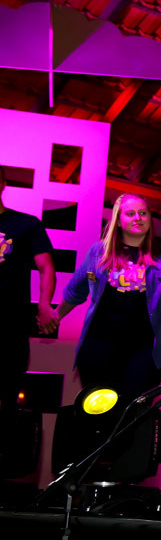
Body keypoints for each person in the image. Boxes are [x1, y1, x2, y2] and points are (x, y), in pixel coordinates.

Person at [58, 194, 161, 397]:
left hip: (143, 349)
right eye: (130, 214)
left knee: (134, 407)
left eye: (143, 213)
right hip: (99, 345)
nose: (138, 218)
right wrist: (55, 316)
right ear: (118, 220)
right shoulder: (98, 252)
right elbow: (75, 291)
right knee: (99, 409)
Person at [0, 166, 56, 463]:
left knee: (7, 396)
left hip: (10, 323)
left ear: (3, 183)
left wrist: (44, 304)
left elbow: (46, 267)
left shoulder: (26, 224)